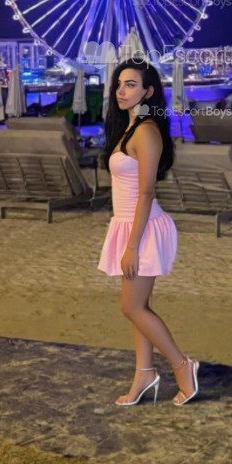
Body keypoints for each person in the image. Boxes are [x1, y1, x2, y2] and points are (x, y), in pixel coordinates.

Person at [99, 57, 200, 406]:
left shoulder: (145, 131)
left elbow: (146, 192)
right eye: (119, 84)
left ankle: (182, 365)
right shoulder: (128, 128)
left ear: (148, 91)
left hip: (142, 228)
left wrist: (131, 245)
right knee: (138, 305)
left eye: (131, 85)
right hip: (127, 224)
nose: (121, 91)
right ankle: (144, 373)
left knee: (131, 307)